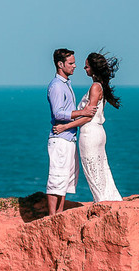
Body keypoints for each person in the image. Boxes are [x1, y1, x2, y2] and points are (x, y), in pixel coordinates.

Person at [52, 51, 122, 202]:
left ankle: (102, 201)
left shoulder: (95, 87)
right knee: (101, 167)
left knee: (92, 170)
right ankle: (110, 200)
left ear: (93, 68)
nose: (83, 69)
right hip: (98, 132)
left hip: (90, 132)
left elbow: (88, 116)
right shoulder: (100, 86)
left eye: (86, 66)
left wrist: (65, 127)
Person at [45, 48, 96, 216]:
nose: (75, 66)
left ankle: (58, 214)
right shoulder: (57, 86)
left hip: (68, 138)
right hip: (60, 139)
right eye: (71, 63)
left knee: (65, 179)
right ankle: (52, 216)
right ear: (60, 64)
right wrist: (83, 112)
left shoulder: (65, 84)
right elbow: (58, 113)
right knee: (57, 178)